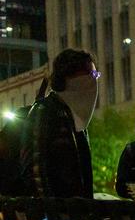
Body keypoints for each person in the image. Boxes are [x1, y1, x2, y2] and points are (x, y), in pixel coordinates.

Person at [21, 48, 98, 199]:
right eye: (91, 74)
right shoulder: (44, 110)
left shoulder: (76, 118)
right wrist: (52, 214)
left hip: (75, 213)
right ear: (69, 76)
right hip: (57, 215)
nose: (94, 80)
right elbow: (35, 170)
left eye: (96, 75)